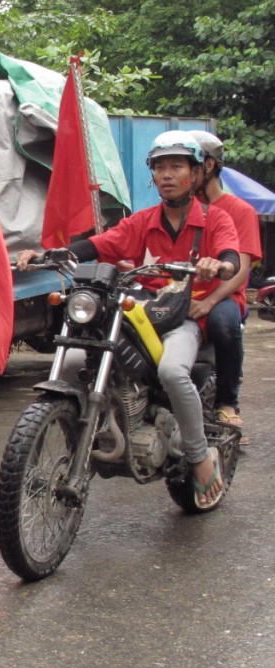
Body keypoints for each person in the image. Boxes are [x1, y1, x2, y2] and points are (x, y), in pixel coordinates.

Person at [17, 130, 240, 509]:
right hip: (141, 310)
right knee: (73, 360)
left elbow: (232, 257)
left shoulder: (215, 220)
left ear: (196, 174)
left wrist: (217, 263)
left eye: (176, 167)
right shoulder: (143, 221)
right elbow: (101, 244)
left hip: (184, 317)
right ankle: (84, 442)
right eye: (160, 168)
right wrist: (49, 253)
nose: (167, 175)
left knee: (172, 372)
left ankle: (200, 456)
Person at [187, 130, 261, 437]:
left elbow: (241, 271)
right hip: (181, 293)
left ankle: (228, 402)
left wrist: (209, 301)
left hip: (225, 295)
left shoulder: (240, 210)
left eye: (190, 163)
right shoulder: (179, 207)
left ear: (209, 166)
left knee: (223, 325)